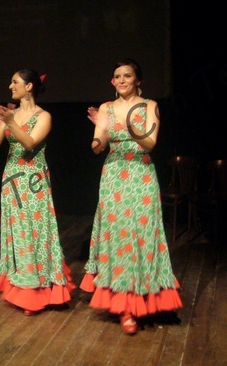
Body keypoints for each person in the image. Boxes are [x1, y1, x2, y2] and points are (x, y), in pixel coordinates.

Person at [79, 58, 183, 334]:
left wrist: (125, 125)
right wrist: (98, 138)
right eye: (117, 76)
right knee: (119, 235)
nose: (122, 80)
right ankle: (125, 306)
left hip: (140, 174)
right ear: (112, 82)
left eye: (127, 75)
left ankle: (146, 297)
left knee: (142, 234)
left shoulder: (150, 106)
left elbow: (150, 143)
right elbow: (98, 143)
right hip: (113, 175)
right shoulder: (105, 108)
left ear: (138, 80)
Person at [0, 69, 75, 316]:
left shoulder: (43, 116)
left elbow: (30, 142)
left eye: (15, 81)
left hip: (33, 180)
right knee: (17, 232)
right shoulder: (9, 114)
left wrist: (10, 121)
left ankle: (39, 288)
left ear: (30, 86)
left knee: (35, 230)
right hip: (11, 179)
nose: (10, 85)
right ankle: (22, 283)